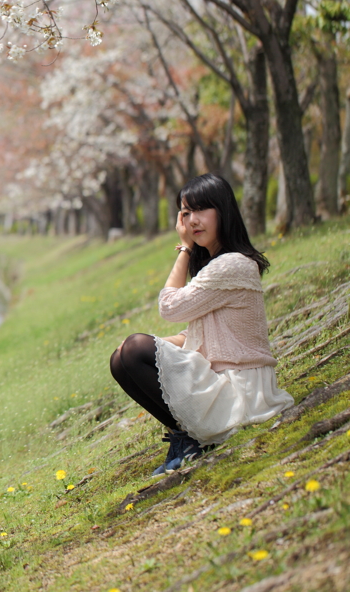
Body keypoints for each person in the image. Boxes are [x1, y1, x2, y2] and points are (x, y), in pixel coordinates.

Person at [110, 173, 294, 475]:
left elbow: (169, 307)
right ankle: (188, 437)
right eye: (186, 212)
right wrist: (147, 349)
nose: (193, 220)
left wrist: (184, 249)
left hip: (241, 394)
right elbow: (197, 334)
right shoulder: (218, 266)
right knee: (121, 359)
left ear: (224, 211)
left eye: (201, 209)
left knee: (133, 349)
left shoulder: (232, 264)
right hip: (220, 382)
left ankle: (195, 439)